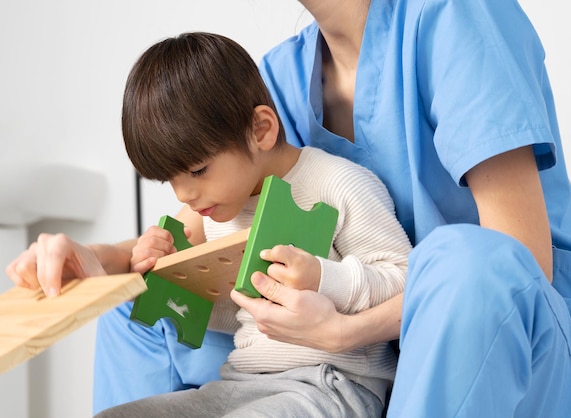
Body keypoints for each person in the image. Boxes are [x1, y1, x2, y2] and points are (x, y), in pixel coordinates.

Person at [6, 0, 571, 417]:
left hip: (514, 349)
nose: (186, 186)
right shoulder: (279, 77)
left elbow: (518, 262)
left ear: (260, 128)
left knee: (464, 261)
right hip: (311, 359)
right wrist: (97, 261)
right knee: (137, 306)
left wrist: (344, 327)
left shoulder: (456, 18)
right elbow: (192, 246)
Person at [26, 31, 413, 417]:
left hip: (331, 386)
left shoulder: (338, 183)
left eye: (198, 170)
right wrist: (169, 277)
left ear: (261, 130)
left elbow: (407, 280)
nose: (184, 196)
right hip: (242, 383)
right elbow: (238, 313)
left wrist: (324, 279)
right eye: (170, 180)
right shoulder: (220, 210)